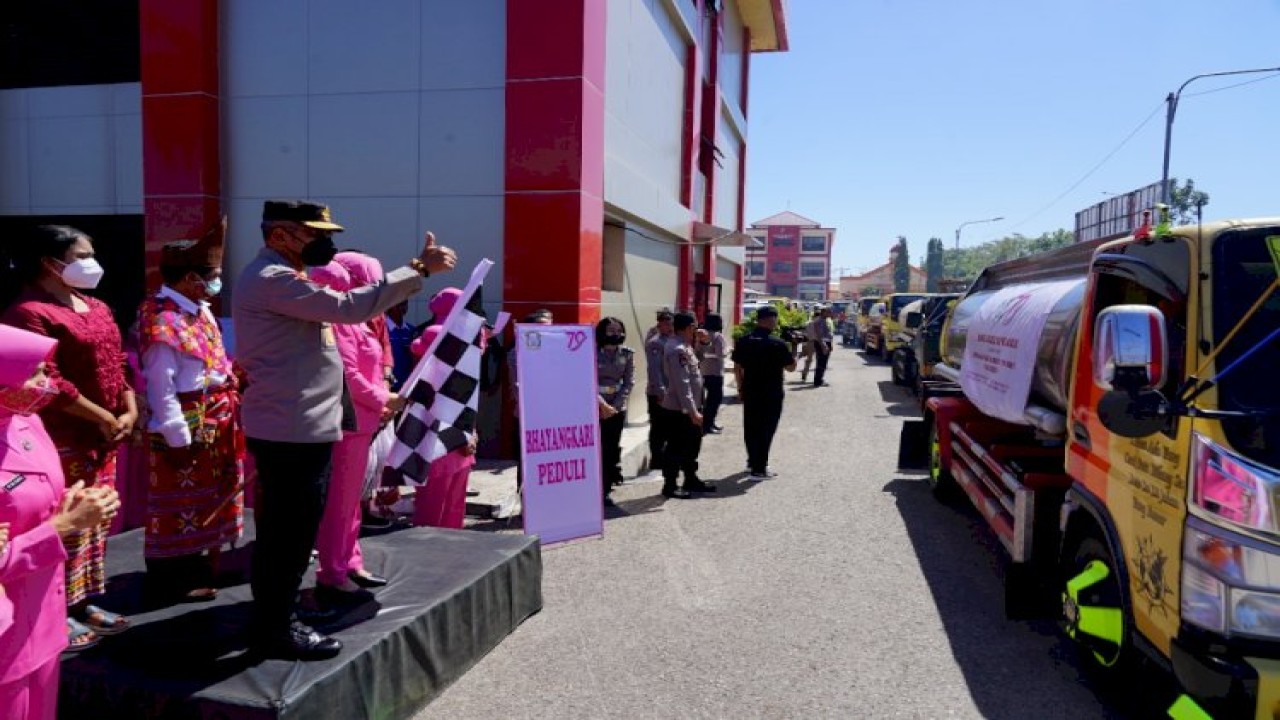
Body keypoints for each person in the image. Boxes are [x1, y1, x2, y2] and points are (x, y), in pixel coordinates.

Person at [232, 199, 456, 660]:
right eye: (315, 234)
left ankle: (274, 618)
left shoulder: (283, 277)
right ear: (279, 236)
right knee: (288, 535)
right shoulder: (272, 279)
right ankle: (277, 626)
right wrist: (418, 268)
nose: (326, 244)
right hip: (291, 427)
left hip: (301, 423)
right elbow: (351, 306)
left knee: (289, 532)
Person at [2, 225, 136, 646]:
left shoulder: (95, 305)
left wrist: (129, 407)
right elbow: (47, 381)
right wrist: (100, 416)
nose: (91, 263)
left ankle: (82, 599)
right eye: (82, 256)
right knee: (61, 519)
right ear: (50, 263)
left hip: (104, 432)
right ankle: (54, 608)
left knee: (93, 523)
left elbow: (118, 361)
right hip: (62, 435)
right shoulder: (28, 312)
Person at [0, 325, 121, 719]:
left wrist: (70, 504)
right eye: (34, 372)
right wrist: (65, 526)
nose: (46, 383)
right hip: (7, 635)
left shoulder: (25, 421)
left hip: (43, 617)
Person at [137, 222, 243, 603]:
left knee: (206, 498)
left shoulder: (199, 310)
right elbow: (160, 383)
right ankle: (171, 580)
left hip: (214, 412)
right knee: (177, 503)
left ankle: (200, 566)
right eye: (213, 276)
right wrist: (176, 433)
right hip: (184, 416)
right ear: (191, 278)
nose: (217, 283)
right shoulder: (162, 318)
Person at [307, 252, 402, 607]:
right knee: (339, 504)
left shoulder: (356, 321)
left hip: (364, 421)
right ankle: (333, 574)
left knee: (352, 502)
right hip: (348, 422)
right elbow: (349, 375)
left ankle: (350, 562)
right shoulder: (340, 323)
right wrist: (383, 399)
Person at [410, 288, 484, 529]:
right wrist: (466, 433)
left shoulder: (456, 338)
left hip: (453, 433)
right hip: (442, 433)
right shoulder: (441, 336)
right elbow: (444, 397)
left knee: (445, 503)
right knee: (440, 504)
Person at [731, 306, 796, 479]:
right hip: (771, 392)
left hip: (751, 389)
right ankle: (760, 468)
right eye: (774, 319)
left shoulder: (744, 341)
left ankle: (752, 462)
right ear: (769, 320)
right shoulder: (777, 343)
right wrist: (793, 349)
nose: (775, 322)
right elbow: (791, 367)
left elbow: (737, 368)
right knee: (766, 429)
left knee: (751, 427)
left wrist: (740, 388)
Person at [659, 311, 715, 499]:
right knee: (676, 447)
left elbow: (697, 363)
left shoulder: (685, 346)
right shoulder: (677, 349)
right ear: (689, 327)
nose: (697, 329)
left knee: (692, 445)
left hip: (691, 406)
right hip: (679, 409)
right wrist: (691, 411)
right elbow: (681, 383)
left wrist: (704, 343)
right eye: (695, 326)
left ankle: (690, 478)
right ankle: (670, 485)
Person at [507, 309, 553, 493]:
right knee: (527, 462)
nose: (546, 331)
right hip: (528, 415)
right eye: (541, 326)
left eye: (550, 326)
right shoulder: (517, 351)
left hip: (551, 415)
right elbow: (516, 384)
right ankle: (526, 503)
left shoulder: (556, 351)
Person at [594, 318, 634, 507]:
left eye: (619, 330)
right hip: (595, 407)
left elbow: (628, 382)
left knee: (611, 449)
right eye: (611, 330)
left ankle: (606, 488)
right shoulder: (591, 353)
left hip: (617, 408)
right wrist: (602, 406)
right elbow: (587, 380)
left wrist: (616, 406)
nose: (615, 333)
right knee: (597, 449)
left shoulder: (626, 354)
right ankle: (594, 487)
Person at [643, 309, 674, 472]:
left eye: (671, 324)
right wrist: (661, 392)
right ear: (659, 325)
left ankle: (664, 458)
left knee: (668, 427)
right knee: (658, 427)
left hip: (671, 392)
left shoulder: (672, 340)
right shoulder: (656, 342)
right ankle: (656, 459)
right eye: (666, 324)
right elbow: (654, 370)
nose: (670, 327)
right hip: (658, 393)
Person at [696, 314, 727, 435]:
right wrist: (728, 350)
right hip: (715, 372)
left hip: (703, 371)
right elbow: (720, 354)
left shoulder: (702, 336)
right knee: (715, 400)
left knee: (706, 401)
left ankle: (709, 423)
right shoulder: (718, 337)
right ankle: (708, 425)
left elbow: (699, 352)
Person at [384, 301, 416, 391]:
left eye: (405, 303)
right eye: (399, 303)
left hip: (407, 386)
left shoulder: (411, 330)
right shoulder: (382, 330)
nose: (403, 307)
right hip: (388, 385)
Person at [808, 306, 834, 388]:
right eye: (828, 311)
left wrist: (830, 344)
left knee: (823, 362)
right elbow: (818, 334)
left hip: (826, 342)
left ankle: (820, 379)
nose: (830, 313)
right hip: (821, 343)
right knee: (821, 362)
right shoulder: (818, 321)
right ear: (823, 312)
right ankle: (817, 381)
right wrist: (823, 345)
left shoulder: (824, 320)